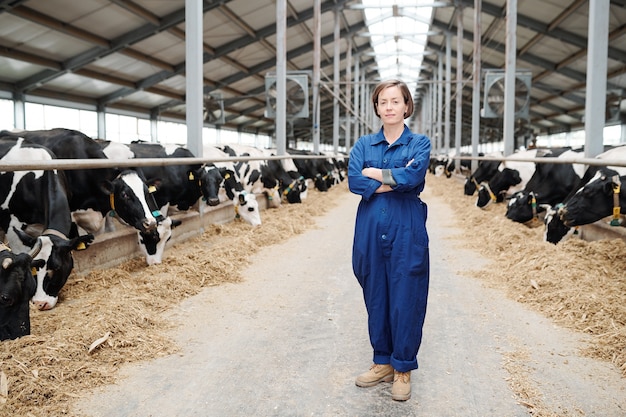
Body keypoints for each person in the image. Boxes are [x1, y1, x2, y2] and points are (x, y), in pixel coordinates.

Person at [348, 79, 431, 402]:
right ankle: (382, 360)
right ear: (377, 108)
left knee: (406, 293)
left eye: (395, 101)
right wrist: (392, 179)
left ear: (407, 106)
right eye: (383, 102)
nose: (390, 107)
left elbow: (413, 177)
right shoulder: (363, 145)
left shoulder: (419, 143)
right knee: (376, 292)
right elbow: (354, 181)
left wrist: (375, 174)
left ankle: (402, 368)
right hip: (369, 226)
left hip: (406, 226)